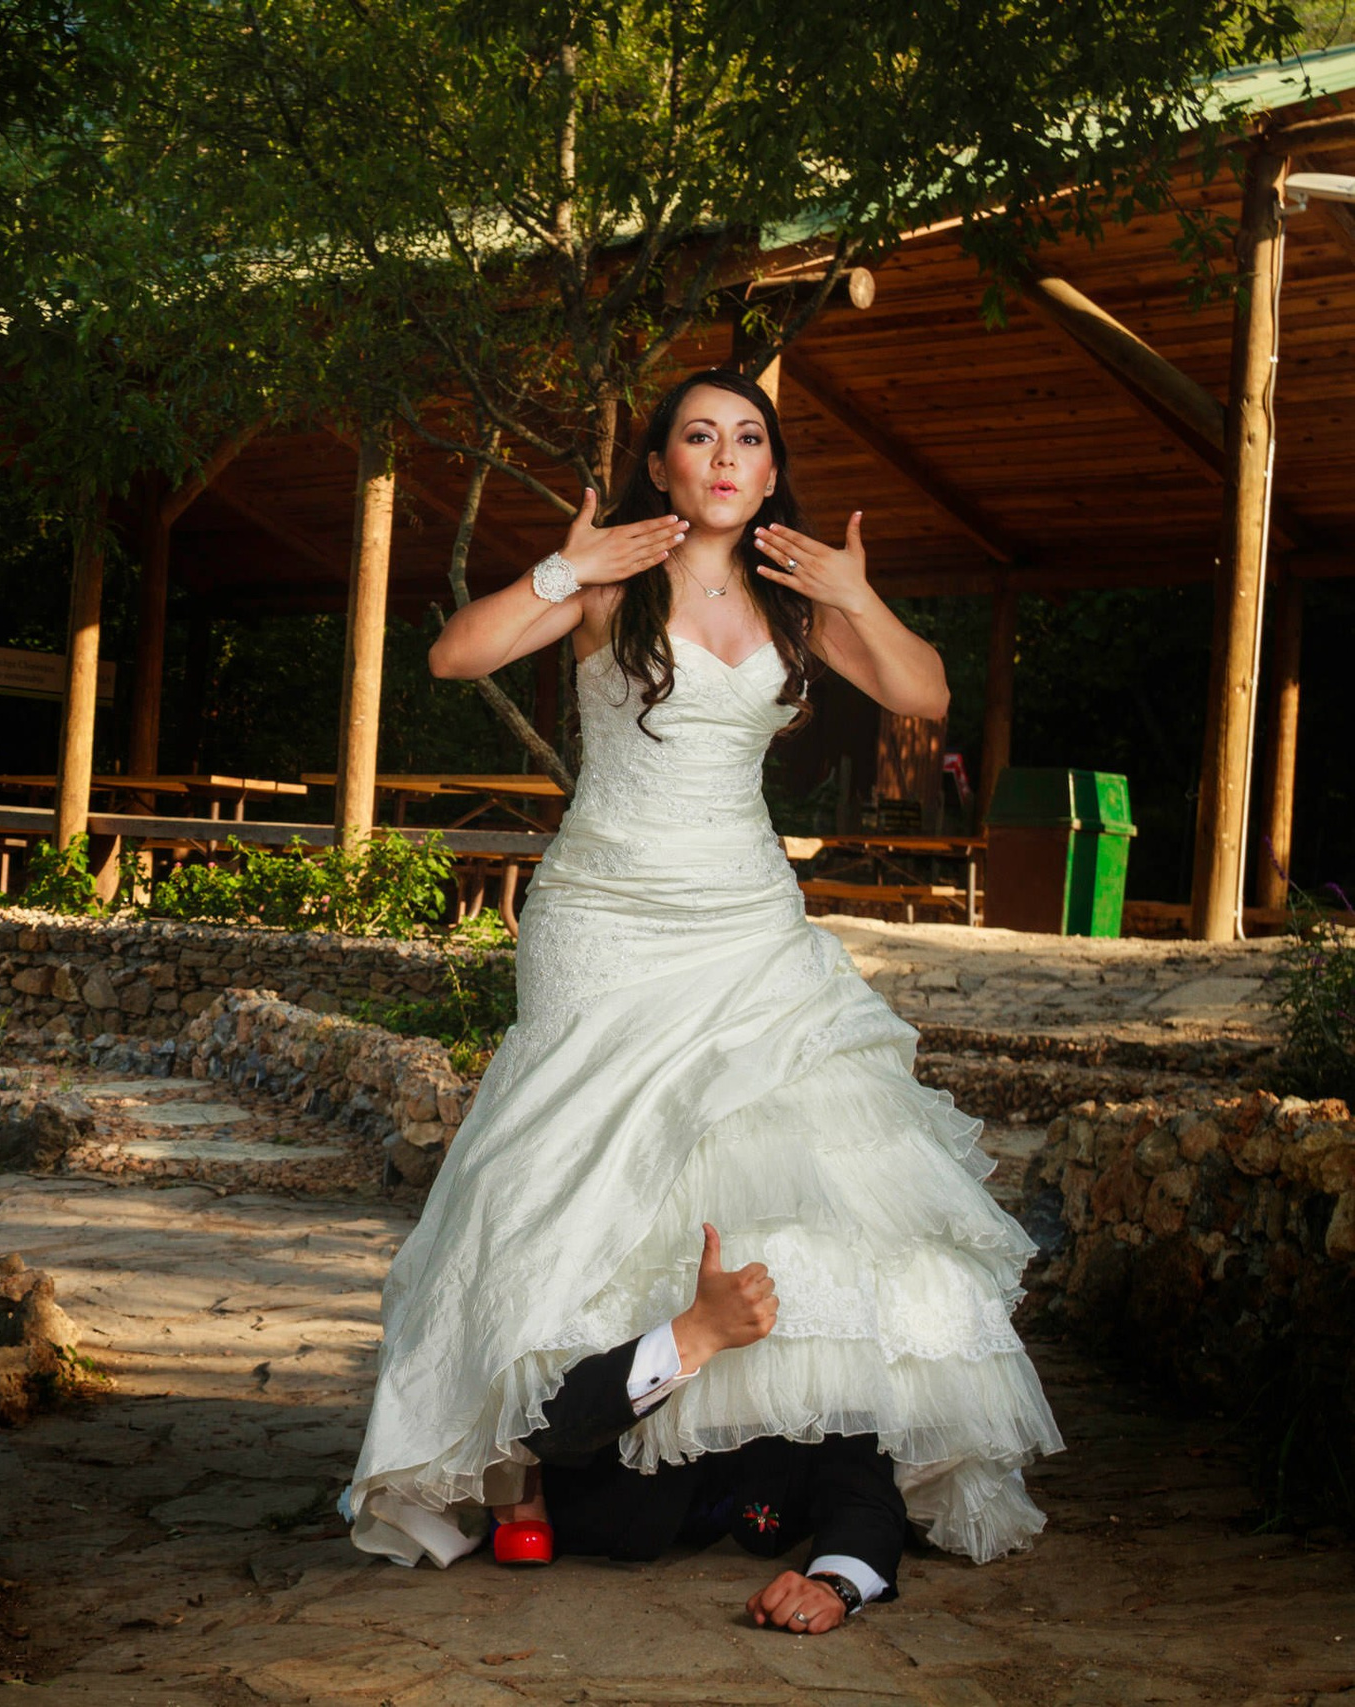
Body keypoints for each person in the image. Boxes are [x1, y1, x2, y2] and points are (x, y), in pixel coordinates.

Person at [340, 369, 1060, 1619]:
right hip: (604, 920)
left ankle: (767, 1439)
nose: (723, 457)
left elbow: (926, 693)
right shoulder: (610, 578)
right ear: (662, 465)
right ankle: (524, 1444)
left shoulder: (799, 601)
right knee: (559, 1169)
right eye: (696, 437)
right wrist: (561, 573)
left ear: (770, 472)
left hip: (744, 921)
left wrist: (854, 591)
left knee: (793, 1154)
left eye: (747, 440)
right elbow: (457, 656)